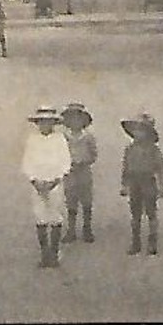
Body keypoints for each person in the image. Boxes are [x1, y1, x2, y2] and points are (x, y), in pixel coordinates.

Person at [23, 105, 71, 269]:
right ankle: (44, 253)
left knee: (55, 215)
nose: (45, 125)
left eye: (48, 122)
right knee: (40, 217)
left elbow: (66, 162)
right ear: (37, 123)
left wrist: (55, 181)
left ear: (54, 123)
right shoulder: (32, 139)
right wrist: (34, 180)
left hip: (55, 183)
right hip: (38, 183)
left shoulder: (60, 139)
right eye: (42, 122)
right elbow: (27, 162)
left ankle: (54, 252)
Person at [120, 111, 163, 257]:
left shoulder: (153, 150)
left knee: (151, 213)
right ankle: (136, 243)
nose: (138, 133)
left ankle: (152, 243)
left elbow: (160, 167)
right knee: (135, 214)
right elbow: (125, 168)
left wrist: (161, 185)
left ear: (148, 133)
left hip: (148, 181)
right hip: (134, 181)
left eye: (142, 130)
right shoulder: (129, 149)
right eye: (136, 129)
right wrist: (124, 185)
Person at [60, 102, 98, 244]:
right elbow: (60, 153)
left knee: (86, 200)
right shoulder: (64, 137)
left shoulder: (88, 137)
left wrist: (85, 160)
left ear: (84, 121)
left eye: (78, 119)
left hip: (83, 170)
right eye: (72, 119)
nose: (75, 122)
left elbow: (94, 154)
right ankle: (71, 230)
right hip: (69, 171)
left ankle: (87, 228)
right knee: (71, 200)